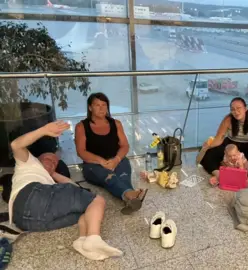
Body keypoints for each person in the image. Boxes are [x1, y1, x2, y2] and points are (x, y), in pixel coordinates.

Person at [9, 121, 123, 261]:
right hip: (31, 195)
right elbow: (16, 145)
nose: (52, 163)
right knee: (97, 200)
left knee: (87, 209)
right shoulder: (28, 163)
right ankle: (94, 238)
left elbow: (76, 189)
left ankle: (82, 241)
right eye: (48, 159)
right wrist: (44, 130)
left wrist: (53, 174)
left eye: (55, 163)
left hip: (27, 222)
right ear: (38, 159)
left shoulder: (48, 181)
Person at [75, 93, 146, 215]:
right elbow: (81, 152)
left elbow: (125, 146)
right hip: (93, 165)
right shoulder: (81, 126)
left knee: (123, 176)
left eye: (104, 105)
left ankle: (129, 197)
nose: (102, 108)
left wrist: (117, 159)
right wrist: (101, 161)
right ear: (90, 108)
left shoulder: (116, 124)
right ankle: (131, 194)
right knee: (110, 178)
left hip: (116, 160)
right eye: (97, 105)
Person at [200, 97, 248, 185]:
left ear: (245, 108)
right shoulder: (228, 119)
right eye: (233, 109)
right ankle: (219, 174)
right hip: (231, 145)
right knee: (208, 153)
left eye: (239, 108)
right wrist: (208, 146)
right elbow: (219, 138)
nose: (236, 112)